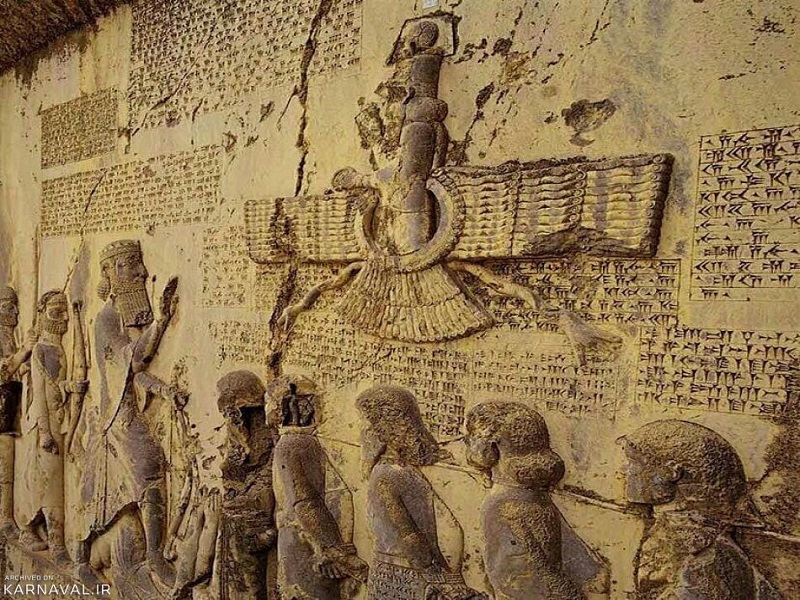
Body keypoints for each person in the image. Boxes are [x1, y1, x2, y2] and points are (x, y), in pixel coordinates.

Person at [79, 240, 185, 585]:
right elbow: (134, 361)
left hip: (126, 411)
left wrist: (166, 391)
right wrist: (162, 321)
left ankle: (153, 554)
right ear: (109, 271)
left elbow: (135, 372)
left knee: (150, 470)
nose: (140, 272)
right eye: (129, 264)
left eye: (139, 263)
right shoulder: (106, 320)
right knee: (147, 469)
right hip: (116, 418)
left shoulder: (125, 320)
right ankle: (146, 556)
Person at [357, 384, 486, 600]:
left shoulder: (390, 474)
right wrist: (445, 578)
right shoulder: (395, 473)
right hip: (410, 573)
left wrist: (438, 577)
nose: (362, 431)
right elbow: (425, 531)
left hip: (405, 575)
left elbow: (411, 534)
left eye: (365, 423)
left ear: (381, 429)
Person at [620, 420, 772, 599]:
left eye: (633, 462)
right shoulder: (680, 536)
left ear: (672, 473)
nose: (624, 470)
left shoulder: (704, 559)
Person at [465, 402, 586, 599]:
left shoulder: (502, 505)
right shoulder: (536, 499)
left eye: (471, 437)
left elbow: (511, 582)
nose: (467, 442)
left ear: (492, 447)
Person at [270, 374, 367, 600]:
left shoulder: (300, 443)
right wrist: (335, 550)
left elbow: (327, 497)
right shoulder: (293, 445)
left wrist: (336, 548)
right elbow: (305, 503)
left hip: (315, 542)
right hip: (307, 543)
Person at [19, 291, 86, 563]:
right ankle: (55, 542)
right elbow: (40, 394)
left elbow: (56, 387)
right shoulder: (41, 349)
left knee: (54, 482)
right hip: (45, 422)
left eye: (64, 311)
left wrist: (70, 387)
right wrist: (45, 432)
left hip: (60, 419)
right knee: (51, 486)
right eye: (56, 311)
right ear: (43, 312)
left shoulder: (57, 347)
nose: (64, 317)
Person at [215, 370, 276, 599]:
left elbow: (268, 481)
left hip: (256, 528)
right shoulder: (238, 439)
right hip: (235, 526)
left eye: (229, 412)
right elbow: (231, 470)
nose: (227, 418)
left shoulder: (269, 439)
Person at [0, 286, 33, 539]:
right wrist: (24, 352)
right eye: (7, 307)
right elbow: (3, 370)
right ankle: (4, 519)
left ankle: (6, 518)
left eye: (14, 307)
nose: (14, 312)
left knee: (8, 468)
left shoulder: (8, 334)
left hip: (9, 406)